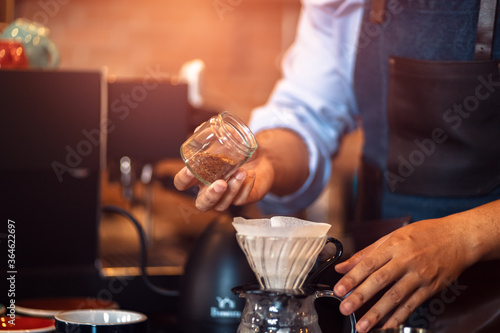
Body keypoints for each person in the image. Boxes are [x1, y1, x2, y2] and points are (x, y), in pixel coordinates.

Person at [175, 0, 500, 331]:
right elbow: (309, 114)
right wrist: (270, 158)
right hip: (380, 293)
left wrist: (464, 237)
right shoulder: (344, 5)